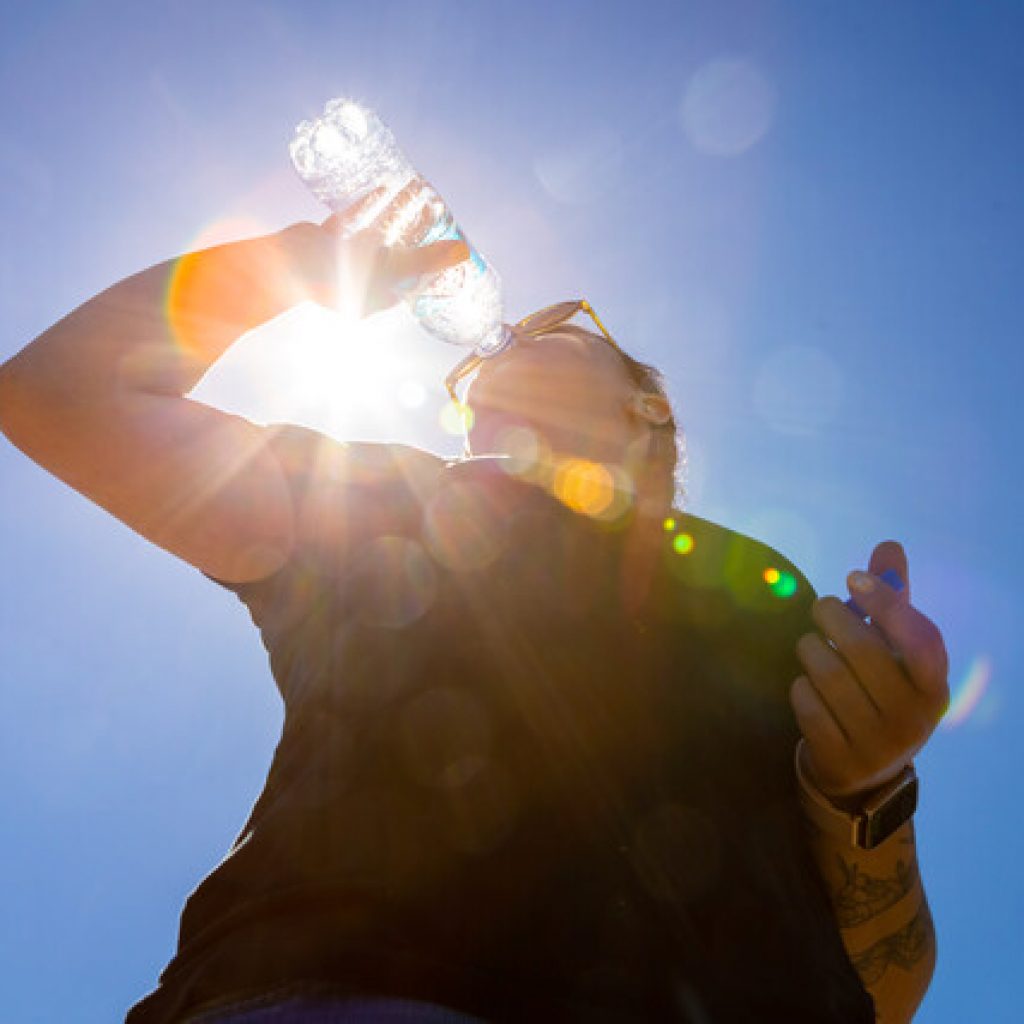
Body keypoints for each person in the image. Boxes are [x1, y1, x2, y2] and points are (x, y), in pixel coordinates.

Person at [0, 193, 949, 1023]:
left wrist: (865, 787)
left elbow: (885, 994)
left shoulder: (758, 582)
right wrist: (289, 266)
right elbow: (58, 396)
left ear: (647, 408)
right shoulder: (390, 501)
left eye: (557, 327)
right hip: (351, 992)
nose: (504, 346)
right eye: (467, 393)